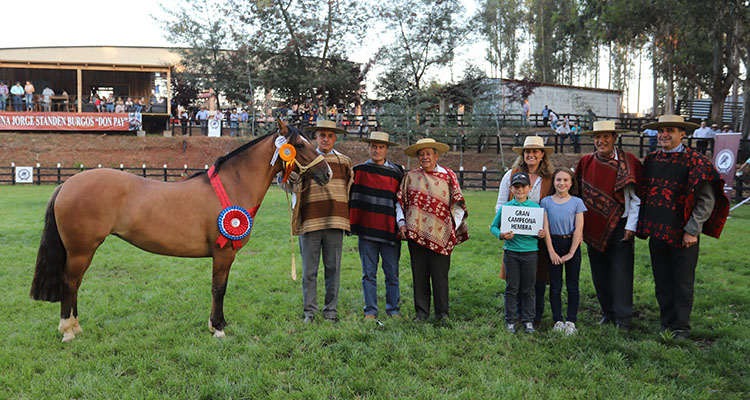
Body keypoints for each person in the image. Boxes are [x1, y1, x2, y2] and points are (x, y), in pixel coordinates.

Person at [637, 114, 729, 339]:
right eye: (661, 131)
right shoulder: (652, 160)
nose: (664, 135)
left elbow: (706, 200)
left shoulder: (696, 161)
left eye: (670, 130)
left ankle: (682, 327)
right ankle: (666, 322)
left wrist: (692, 229)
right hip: (658, 232)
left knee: (683, 282)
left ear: (682, 134)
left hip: (683, 235)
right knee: (662, 281)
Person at [575, 120, 642, 332]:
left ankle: (624, 319)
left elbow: (636, 198)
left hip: (621, 226)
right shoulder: (585, 162)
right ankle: (607, 313)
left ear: (615, 138)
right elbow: (577, 195)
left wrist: (631, 226)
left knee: (622, 274)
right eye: (597, 137)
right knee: (599, 273)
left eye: (606, 136)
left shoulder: (628, 162)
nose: (601, 141)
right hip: (593, 226)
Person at [398, 138, 469, 321]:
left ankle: (442, 313)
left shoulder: (448, 175)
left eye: (428, 153)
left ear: (436, 155)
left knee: (440, 276)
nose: (424, 157)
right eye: (421, 154)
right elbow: (400, 202)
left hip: (441, 234)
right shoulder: (411, 177)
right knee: (419, 275)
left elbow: (459, 204)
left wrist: (452, 226)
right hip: (416, 232)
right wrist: (402, 224)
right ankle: (421, 313)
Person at [290, 120, 352, 323]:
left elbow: (349, 190)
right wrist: (290, 179)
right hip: (310, 220)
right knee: (309, 270)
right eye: (322, 135)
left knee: (333, 269)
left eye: (330, 135)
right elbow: (291, 188)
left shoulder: (344, 162)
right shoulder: (304, 159)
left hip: (335, 221)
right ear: (315, 138)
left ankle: (330, 312)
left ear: (335, 138)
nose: (325, 139)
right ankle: (310, 311)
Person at [495, 136, 555, 327]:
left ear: (542, 155)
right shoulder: (512, 174)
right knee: (515, 279)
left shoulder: (549, 178)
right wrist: (508, 223)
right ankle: (517, 315)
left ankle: (534, 316)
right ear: (523, 154)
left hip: (538, 235)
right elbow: (500, 203)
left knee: (537, 275)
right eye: (527, 151)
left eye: (535, 151)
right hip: (516, 236)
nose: (531, 155)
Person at [349, 131, 404, 320]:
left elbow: (402, 201)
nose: (377, 150)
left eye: (381, 147)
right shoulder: (359, 171)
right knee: (368, 274)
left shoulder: (398, 172)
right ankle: (370, 310)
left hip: (390, 231)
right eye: (374, 146)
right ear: (368, 148)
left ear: (387, 149)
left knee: (392, 274)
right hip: (367, 231)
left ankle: (393, 309)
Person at [491, 172, 546, 334]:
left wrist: (541, 234)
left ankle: (528, 320)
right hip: (511, 253)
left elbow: (540, 230)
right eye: (516, 187)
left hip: (530, 253)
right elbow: (494, 226)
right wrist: (501, 235)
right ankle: (511, 320)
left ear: (529, 188)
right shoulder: (506, 208)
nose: (520, 189)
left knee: (529, 288)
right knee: (512, 288)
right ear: (511, 188)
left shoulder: (536, 209)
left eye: (523, 186)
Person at [542, 168, 586, 335]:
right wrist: (551, 251)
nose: (561, 183)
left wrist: (571, 252)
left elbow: (578, 230)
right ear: (553, 182)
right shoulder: (546, 202)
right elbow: (545, 227)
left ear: (571, 183)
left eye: (565, 180)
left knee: (573, 285)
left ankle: (571, 321)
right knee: (555, 285)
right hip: (553, 242)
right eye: (558, 180)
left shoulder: (577, 202)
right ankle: (558, 319)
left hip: (571, 244)